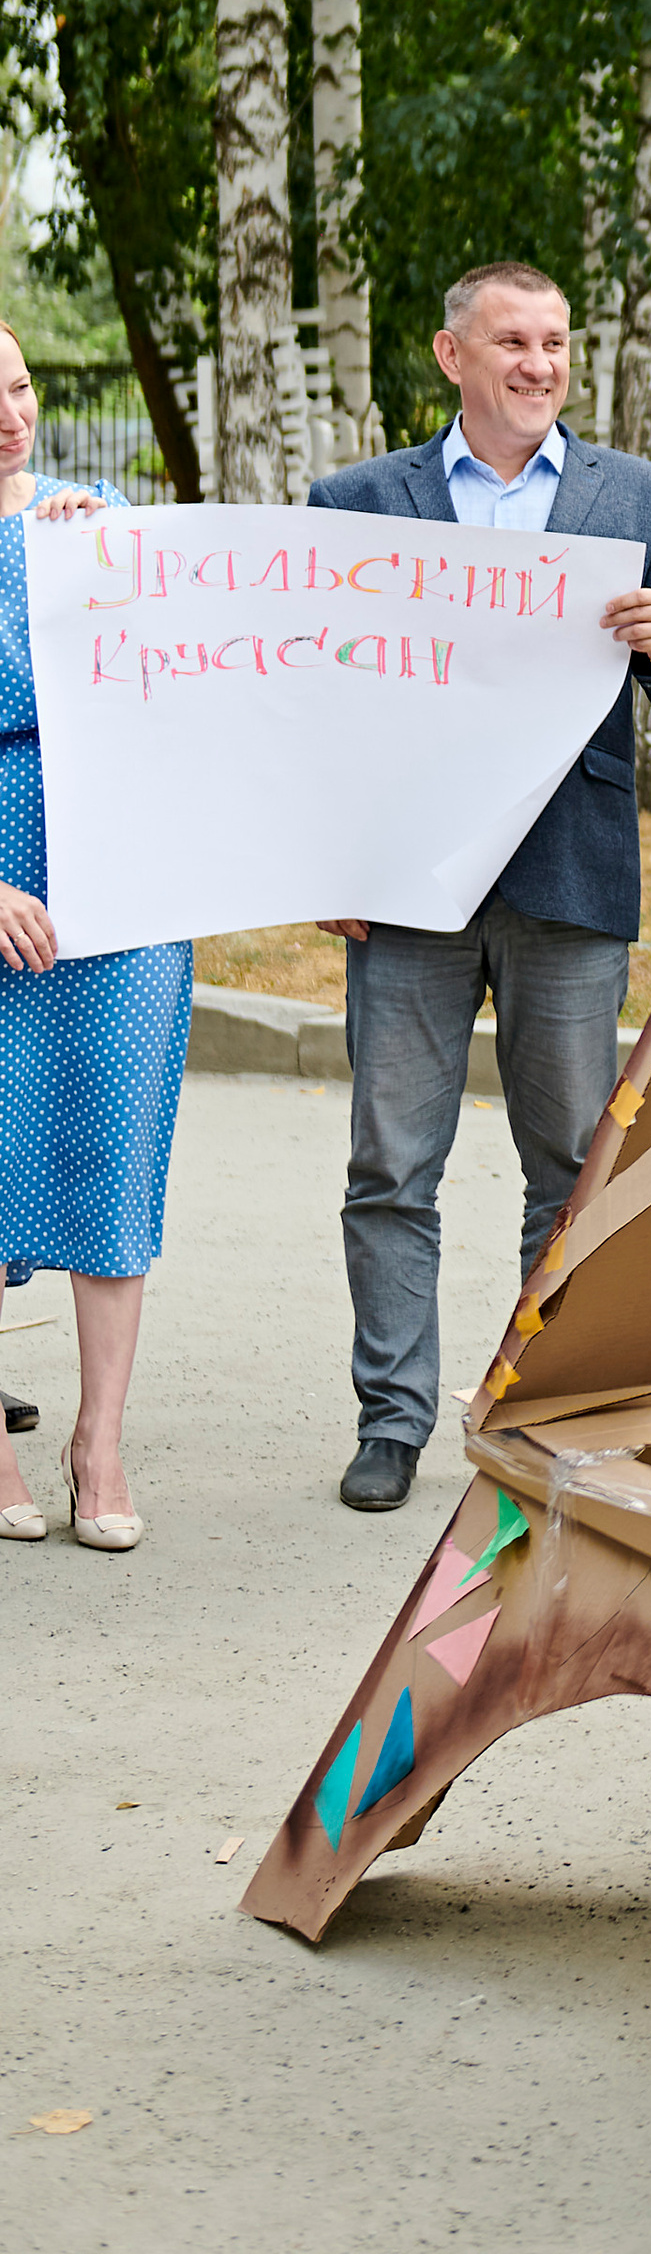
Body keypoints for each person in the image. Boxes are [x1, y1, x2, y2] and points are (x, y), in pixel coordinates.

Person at [312, 263, 651, 1513]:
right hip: (410, 880)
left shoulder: (641, 495)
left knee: (571, 1165)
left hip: (568, 878)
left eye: (553, 342)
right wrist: (331, 854)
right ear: (452, 357)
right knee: (392, 1167)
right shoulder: (360, 500)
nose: (539, 363)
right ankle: (392, 1421)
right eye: (512, 342)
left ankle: (550, 1414)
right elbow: (316, 693)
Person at [0, 323, 189, 1550]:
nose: (8, 413)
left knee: (111, 1147)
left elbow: (185, 669)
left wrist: (121, 570)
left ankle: (98, 1440)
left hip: (118, 874)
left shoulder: (96, 512)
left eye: (16, 386)